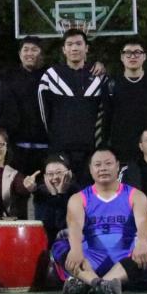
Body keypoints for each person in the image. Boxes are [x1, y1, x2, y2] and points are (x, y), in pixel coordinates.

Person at [51, 148, 147, 294]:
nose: (103, 168)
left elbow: (144, 223)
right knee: (60, 247)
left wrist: (142, 243)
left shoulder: (136, 196)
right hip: (89, 259)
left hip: (125, 258)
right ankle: (101, 284)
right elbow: (75, 226)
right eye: (98, 165)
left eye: (108, 163)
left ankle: (90, 283)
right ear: (90, 169)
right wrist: (75, 250)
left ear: (118, 166)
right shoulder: (78, 198)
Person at [38, 29, 107, 181]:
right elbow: (44, 114)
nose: (74, 48)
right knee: (61, 191)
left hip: (91, 149)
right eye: (69, 44)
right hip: (60, 148)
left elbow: (105, 112)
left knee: (90, 192)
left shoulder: (99, 76)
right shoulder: (51, 76)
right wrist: (55, 138)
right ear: (64, 49)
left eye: (78, 44)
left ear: (86, 48)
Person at [105, 41, 147, 164]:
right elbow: (105, 119)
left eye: (137, 53)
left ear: (144, 56)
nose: (133, 56)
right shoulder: (111, 85)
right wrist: (105, 146)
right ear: (122, 57)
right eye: (128, 53)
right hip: (121, 150)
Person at [5, 37, 49, 176]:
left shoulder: (51, 75)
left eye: (34, 49)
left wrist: (97, 65)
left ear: (41, 53)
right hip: (17, 147)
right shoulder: (8, 76)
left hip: (46, 147)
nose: (29, 53)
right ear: (20, 54)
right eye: (26, 49)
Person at [29, 154, 78, 244]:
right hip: (46, 244)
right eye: (50, 174)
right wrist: (54, 195)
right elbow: (47, 227)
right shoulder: (40, 194)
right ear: (45, 177)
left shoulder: (78, 193)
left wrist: (61, 194)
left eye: (59, 172)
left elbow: (63, 226)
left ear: (69, 173)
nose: (55, 177)